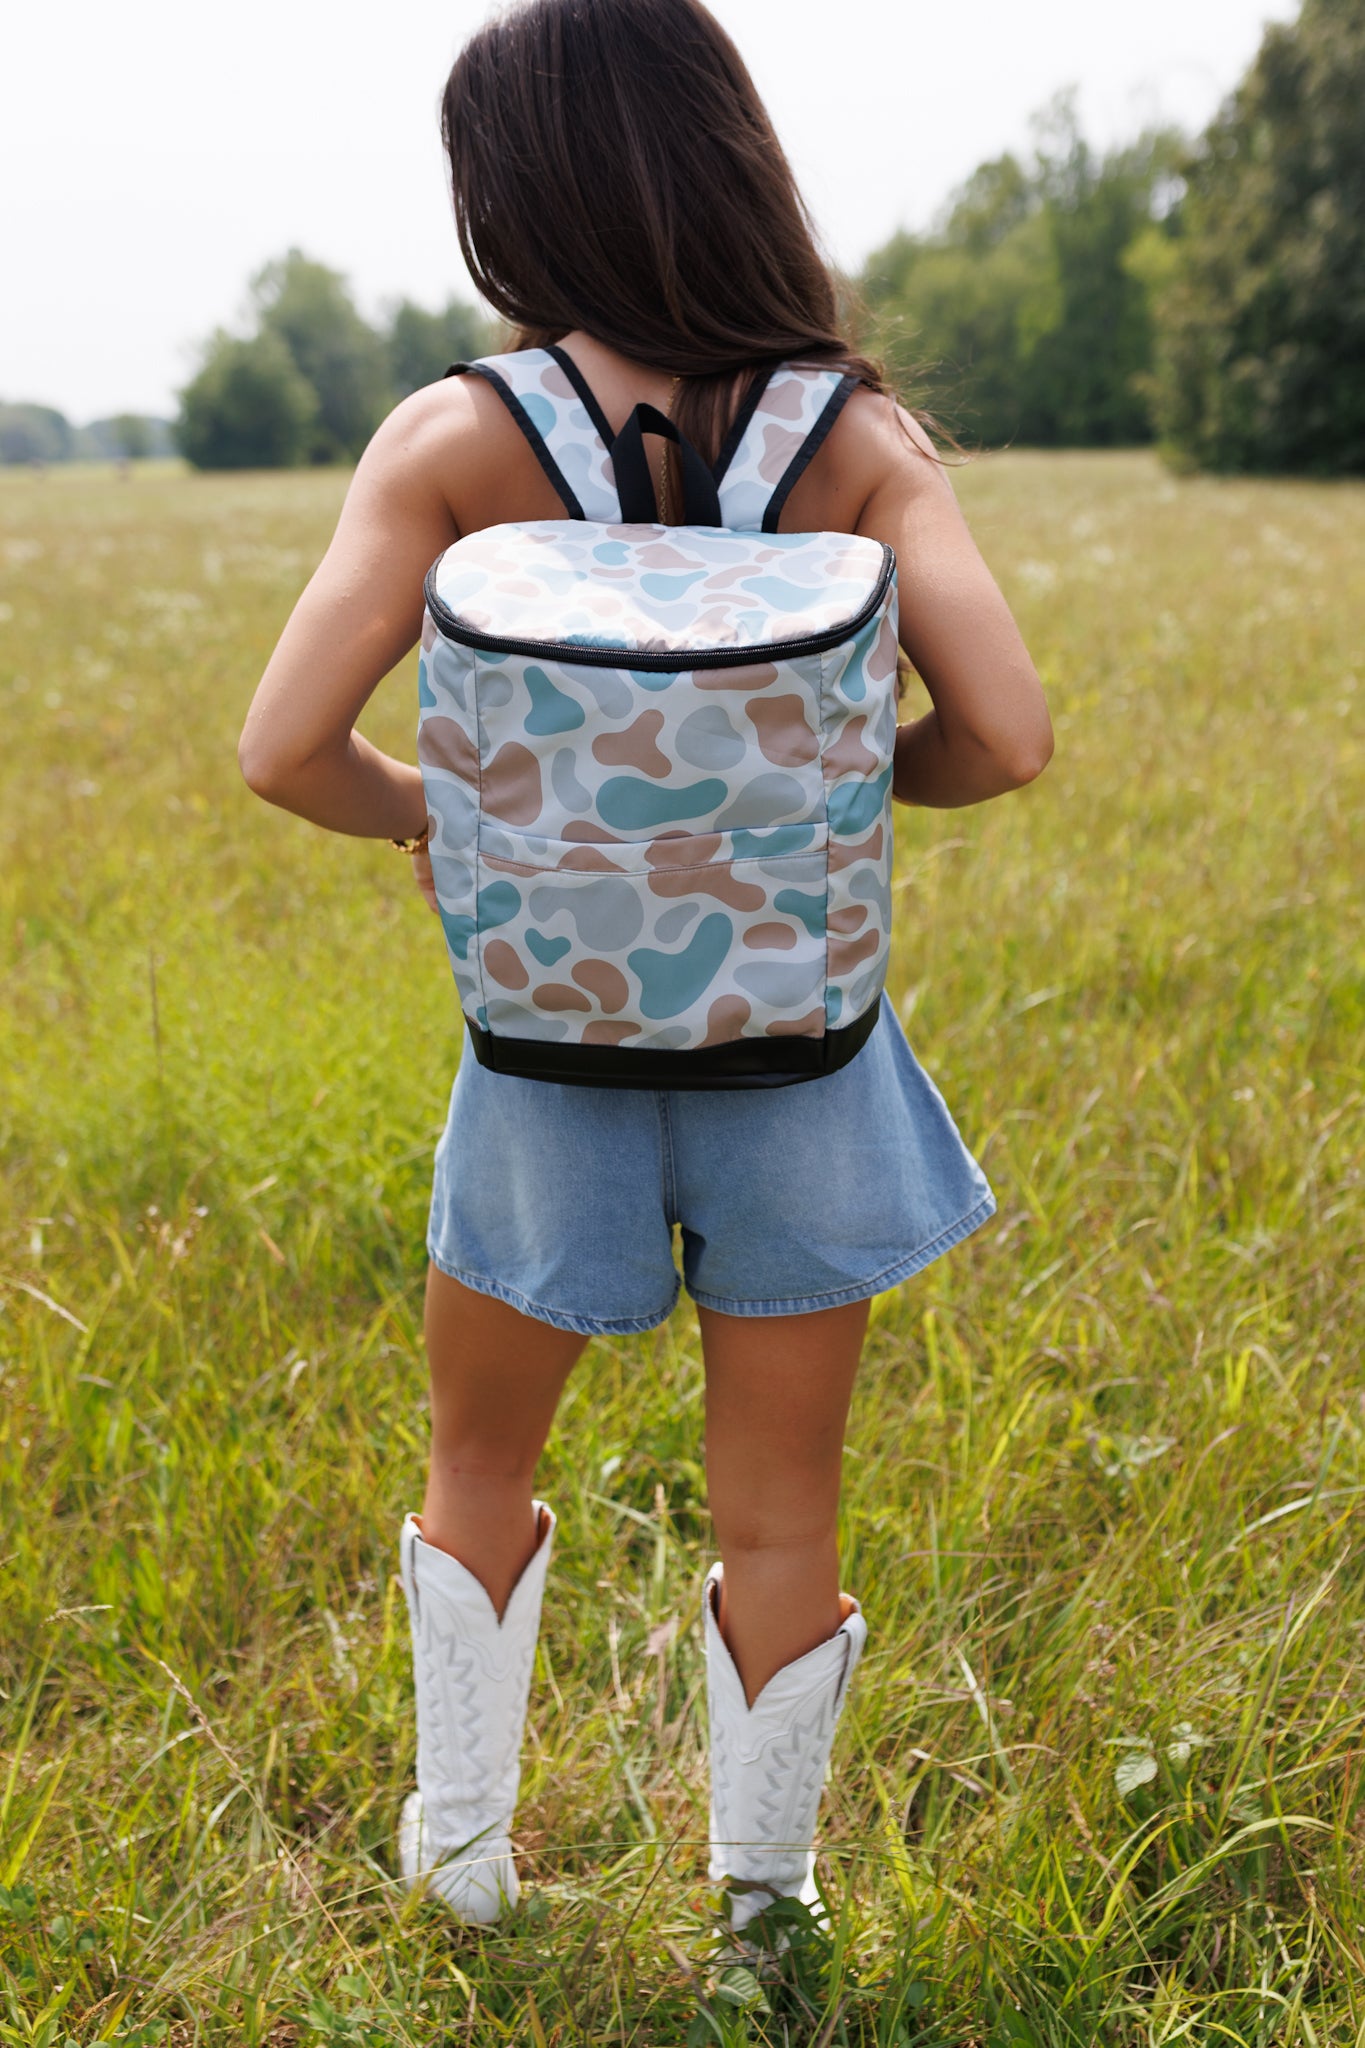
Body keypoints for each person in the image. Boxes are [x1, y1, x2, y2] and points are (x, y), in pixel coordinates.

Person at [238, 0, 1053, 1949]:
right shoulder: (855, 440)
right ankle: (763, 1911)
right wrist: (855, 787)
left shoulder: (456, 438)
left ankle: (458, 1866)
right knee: (778, 1501)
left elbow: (280, 746)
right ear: (725, 154)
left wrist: (446, 819)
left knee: (476, 1453)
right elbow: (1006, 735)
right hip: (801, 1053)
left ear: (509, 195)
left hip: (544, 1060)